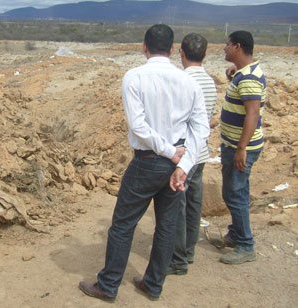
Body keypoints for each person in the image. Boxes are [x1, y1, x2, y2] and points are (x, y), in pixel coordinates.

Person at [78, 24, 210, 302]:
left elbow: (138, 126)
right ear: (173, 49)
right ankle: (153, 284)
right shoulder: (189, 82)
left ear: (144, 47)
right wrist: (183, 165)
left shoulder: (134, 77)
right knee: (166, 226)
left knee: (123, 225)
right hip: (176, 165)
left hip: (148, 162)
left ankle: (108, 285)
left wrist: (170, 154)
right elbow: (202, 130)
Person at [167, 33, 217, 275]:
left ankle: (177, 260)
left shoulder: (180, 81)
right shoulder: (210, 81)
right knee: (194, 203)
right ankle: (188, 251)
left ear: (181, 53)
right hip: (201, 152)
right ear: (204, 54)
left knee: (178, 204)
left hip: (183, 155)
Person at [214, 30, 266, 264]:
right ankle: (236, 235)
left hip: (240, 146)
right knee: (238, 192)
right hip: (236, 144)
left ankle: (246, 245)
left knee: (234, 193)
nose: (224, 48)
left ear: (237, 46)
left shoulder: (248, 78)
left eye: (227, 44)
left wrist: (241, 148)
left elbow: (252, 114)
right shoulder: (245, 73)